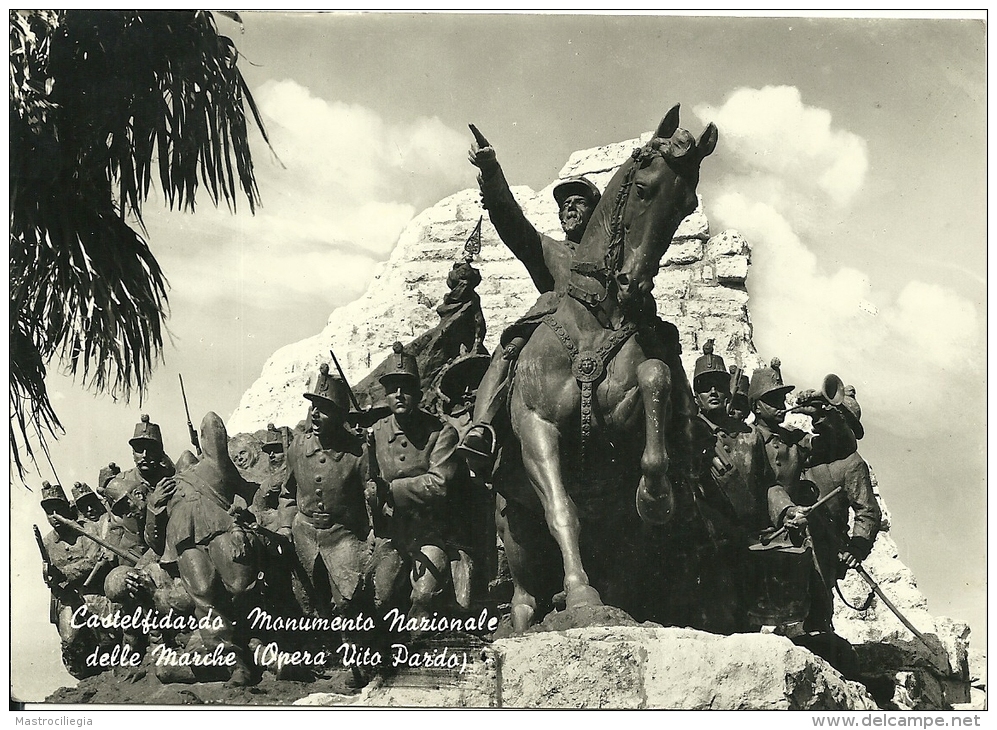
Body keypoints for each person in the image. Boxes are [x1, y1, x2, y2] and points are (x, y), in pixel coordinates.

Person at [459, 127, 601, 464]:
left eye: (578, 201)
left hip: (604, 328)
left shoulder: (612, 259)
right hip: (555, 323)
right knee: (510, 351)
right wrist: (492, 172)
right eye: (564, 204)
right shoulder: (551, 251)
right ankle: (482, 428)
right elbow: (512, 223)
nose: (569, 208)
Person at [685, 342, 803, 633]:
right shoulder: (684, 434)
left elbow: (768, 485)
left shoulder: (750, 437)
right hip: (696, 549)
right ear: (695, 396)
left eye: (718, 385)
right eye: (705, 386)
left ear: (728, 392)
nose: (713, 392)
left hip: (742, 548)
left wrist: (786, 510)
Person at [369, 342, 468, 621]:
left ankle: (419, 650)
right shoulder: (375, 433)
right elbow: (367, 481)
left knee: (424, 595)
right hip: (391, 534)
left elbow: (439, 483)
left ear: (418, 393)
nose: (399, 395)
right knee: (379, 598)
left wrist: (392, 490)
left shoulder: (441, 432)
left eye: (406, 388)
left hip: (430, 533)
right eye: (392, 388)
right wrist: (372, 495)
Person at [278, 364, 372, 621]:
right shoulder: (297, 447)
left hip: (343, 537)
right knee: (306, 604)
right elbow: (287, 494)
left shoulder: (358, 453)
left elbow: (371, 499)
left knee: (348, 604)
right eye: (313, 408)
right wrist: (285, 527)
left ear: (341, 416)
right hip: (304, 536)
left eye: (325, 410)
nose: (316, 415)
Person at [800, 383, 882, 634]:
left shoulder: (852, 463)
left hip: (826, 542)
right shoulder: (809, 447)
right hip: (794, 531)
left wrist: (857, 546)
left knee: (818, 600)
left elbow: (867, 511)